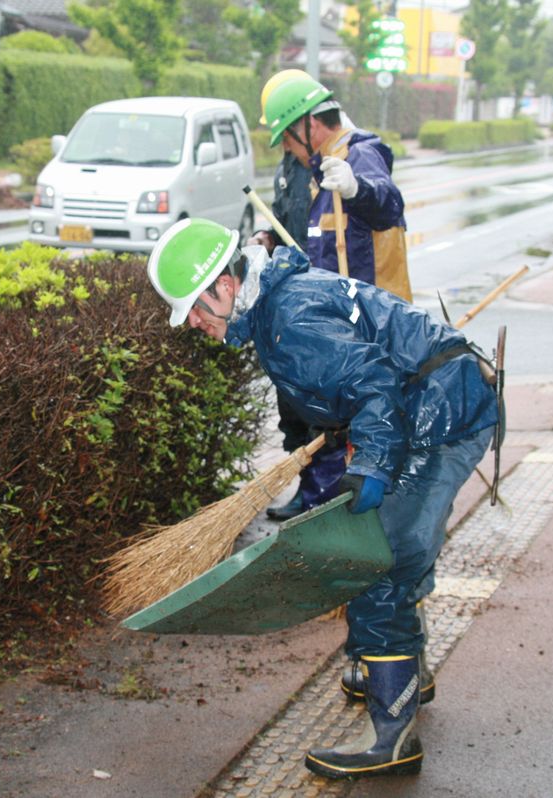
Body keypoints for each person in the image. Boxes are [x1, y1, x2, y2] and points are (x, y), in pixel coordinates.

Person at [146, 217, 499, 780]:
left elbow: (375, 383)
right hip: (432, 403)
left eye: (194, 307)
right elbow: (361, 373)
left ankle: (391, 739)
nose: (194, 323)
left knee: (379, 562)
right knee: (391, 549)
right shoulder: (278, 306)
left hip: (441, 414)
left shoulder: (289, 320)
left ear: (226, 286)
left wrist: (373, 464)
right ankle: (405, 675)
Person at [253, 71, 412, 522]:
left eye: (287, 136)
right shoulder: (313, 165)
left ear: (308, 124)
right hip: (334, 321)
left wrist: (358, 188)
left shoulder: (361, 153)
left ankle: (363, 517)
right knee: (325, 416)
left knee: (363, 423)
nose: (285, 147)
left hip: (370, 324)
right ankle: (324, 504)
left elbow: (388, 204)